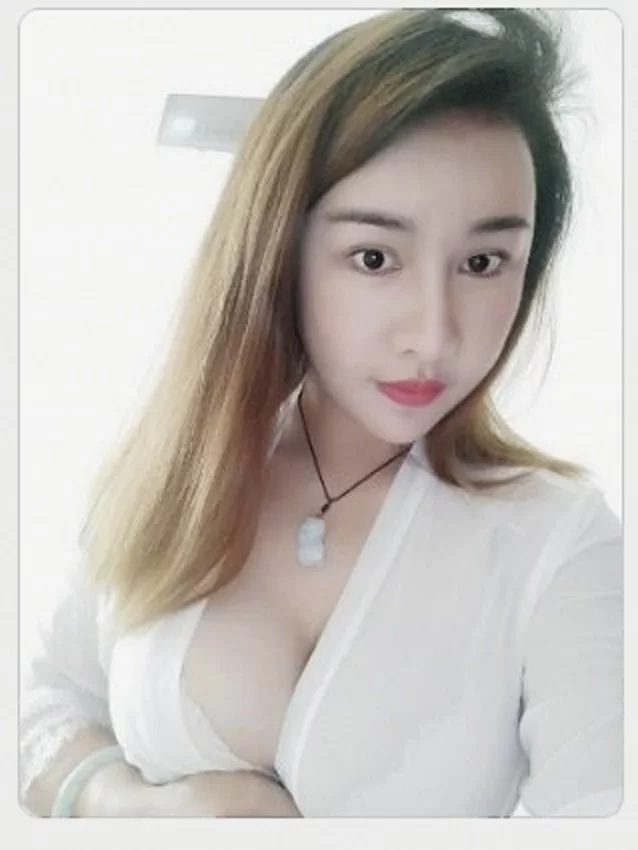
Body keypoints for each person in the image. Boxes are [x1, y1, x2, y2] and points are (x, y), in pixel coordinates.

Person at [20, 8, 622, 818]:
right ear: (280, 248)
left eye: (484, 262)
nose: (434, 334)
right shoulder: (177, 471)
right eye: (374, 258)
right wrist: (131, 807)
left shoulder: (557, 541)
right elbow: (46, 700)